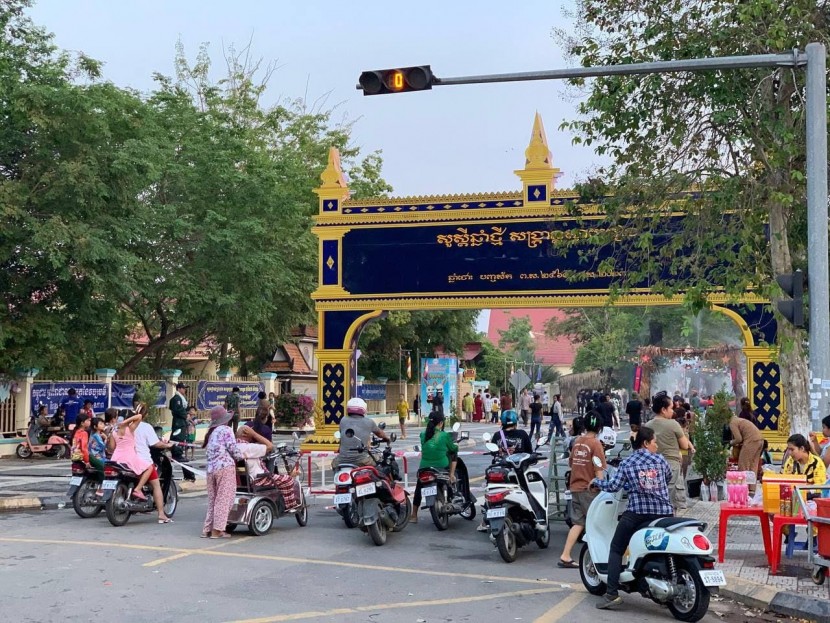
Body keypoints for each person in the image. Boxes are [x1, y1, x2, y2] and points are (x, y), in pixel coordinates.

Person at [591, 426, 674, 610]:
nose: (656, 446)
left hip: (637, 514)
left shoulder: (627, 463)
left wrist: (596, 481)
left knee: (616, 548)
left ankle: (612, 594)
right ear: (646, 443)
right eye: (654, 442)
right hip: (665, 512)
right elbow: (667, 477)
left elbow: (613, 486)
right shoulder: (660, 459)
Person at [110, 405, 173, 523]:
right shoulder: (136, 427)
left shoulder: (116, 430)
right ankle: (161, 514)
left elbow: (111, 448)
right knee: (156, 485)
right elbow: (156, 443)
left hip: (119, 460)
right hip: (139, 459)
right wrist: (167, 445)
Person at [559, 412, 606, 568]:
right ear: (600, 427)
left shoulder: (578, 441)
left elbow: (571, 463)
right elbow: (599, 469)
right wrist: (602, 486)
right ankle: (598, 557)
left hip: (575, 487)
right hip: (589, 490)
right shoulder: (596, 444)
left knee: (578, 523)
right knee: (596, 524)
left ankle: (565, 555)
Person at [644, 392, 694, 510]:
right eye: (671, 408)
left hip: (652, 465)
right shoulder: (673, 424)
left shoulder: (647, 425)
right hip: (671, 465)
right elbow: (684, 445)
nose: (673, 411)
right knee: (670, 497)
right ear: (663, 410)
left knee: (654, 494)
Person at [202, 406, 244, 538]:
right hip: (225, 468)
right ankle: (217, 530)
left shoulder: (212, 432)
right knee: (224, 499)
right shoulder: (226, 430)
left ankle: (207, 529)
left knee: (213, 500)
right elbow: (233, 449)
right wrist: (242, 457)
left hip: (211, 470)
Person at [410, 411, 459, 523]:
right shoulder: (444, 435)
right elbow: (453, 449)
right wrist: (456, 446)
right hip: (441, 467)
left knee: (419, 487)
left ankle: (414, 515)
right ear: (441, 423)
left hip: (424, 467)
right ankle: (451, 476)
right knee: (454, 455)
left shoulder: (423, 434)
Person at [331, 397, 391, 470]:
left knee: (334, 465)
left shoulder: (343, 420)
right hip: (362, 461)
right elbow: (380, 433)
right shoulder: (369, 422)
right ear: (364, 408)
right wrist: (387, 438)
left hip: (341, 461)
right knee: (379, 461)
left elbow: (342, 438)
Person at [729, 411, 765, 494]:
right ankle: (752, 490)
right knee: (753, 465)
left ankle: (742, 490)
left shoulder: (732, 422)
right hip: (760, 440)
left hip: (751, 440)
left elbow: (738, 438)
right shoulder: (739, 420)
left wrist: (730, 442)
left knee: (743, 465)